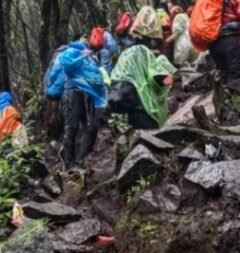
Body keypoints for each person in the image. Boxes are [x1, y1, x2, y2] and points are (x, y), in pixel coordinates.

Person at [55, 36, 108, 169]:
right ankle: (69, 162)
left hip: (84, 94)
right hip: (73, 93)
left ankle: (81, 159)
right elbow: (68, 66)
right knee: (72, 127)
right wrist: (82, 57)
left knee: (90, 126)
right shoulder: (70, 53)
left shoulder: (88, 57)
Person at [108, 44, 176, 129]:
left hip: (132, 115)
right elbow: (167, 80)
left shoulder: (120, 77)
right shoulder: (147, 74)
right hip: (148, 116)